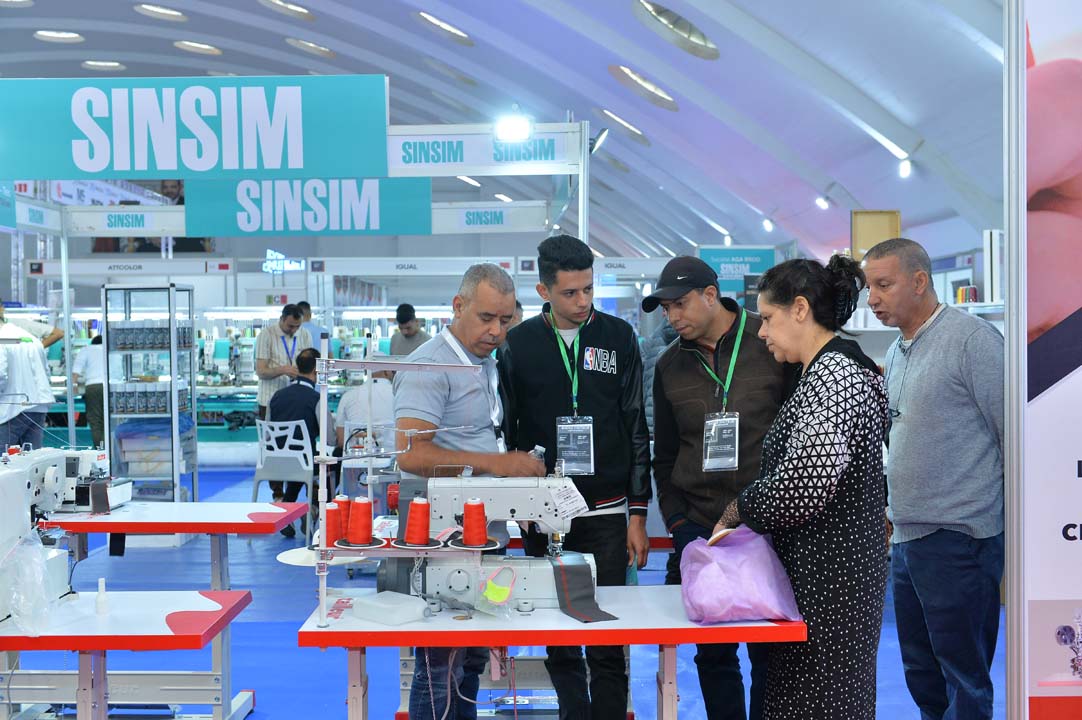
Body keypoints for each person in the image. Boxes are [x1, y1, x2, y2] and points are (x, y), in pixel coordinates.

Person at [714, 255, 889, 720]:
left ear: (799, 309)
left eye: (768, 318)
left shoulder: (835, 377)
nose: (762, 332)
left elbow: (804, 482)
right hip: (822, 576)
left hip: (832, 582)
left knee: (822, 702)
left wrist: (739, 510)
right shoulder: (825, 372)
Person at [498, 234, 650, 720]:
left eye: (588, 289)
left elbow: (635, 423)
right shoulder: (517, 344)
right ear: (544, 291)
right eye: (570, 293)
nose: (583, 301)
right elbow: (510, 430)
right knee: (559, 636)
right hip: (544, 512)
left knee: (607, 638)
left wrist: (638, 512)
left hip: (606, 510)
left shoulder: (619, 337)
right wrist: (518, 501)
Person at [645, 256, 794, 720]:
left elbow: (798, 432)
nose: (672, 317)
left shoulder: (769, 341)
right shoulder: (669, 365)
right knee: (713, 654)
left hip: (766, 524)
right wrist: (678, 524)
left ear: (711, 295)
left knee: (770, 651)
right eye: (665, 308)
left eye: (680, 304)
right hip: (701, 527)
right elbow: (666, 455)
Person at [394, 263, 545, 720]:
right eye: (486, 318)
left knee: (473, 656)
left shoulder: (486, 364)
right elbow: (411, 454)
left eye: (505, 320)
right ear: (458, 306)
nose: (496, 330)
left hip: (482, 531)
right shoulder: (429, 366)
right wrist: (498, 464)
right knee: (439, 663)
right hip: (441, 535)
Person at [863, 238, 1004, 720]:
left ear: (920, 281)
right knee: (922, 674)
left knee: (963, 679)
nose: (872, 299)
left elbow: (1012, 434)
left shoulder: (973, 341)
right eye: (869, 288)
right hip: (908, 538)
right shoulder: (898, 350)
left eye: (884, 285)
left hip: (960, 538)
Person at [267, 347, 333, 537]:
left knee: (299, 463)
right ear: (316, 370)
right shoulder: (316, 399)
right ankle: (314, 511)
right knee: (327, 465)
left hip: (274, 464)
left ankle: (288, 512)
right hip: (304, 463)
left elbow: (268, 435)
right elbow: (329, 438)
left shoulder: (276, 396)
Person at [0, 318, 55, 448]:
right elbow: (46, 372)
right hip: (38, 406)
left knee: (3, 455)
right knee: (32, 456)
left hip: (13, 409)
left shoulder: (2, 339)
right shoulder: (32, 339)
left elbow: (1, 374)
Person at [254, 303, 312, 420]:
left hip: (297, 401)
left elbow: (309, 368)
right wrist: (282, 370)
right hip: (270, 401)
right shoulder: (266, 335)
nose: (294, 330)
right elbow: (260, 372)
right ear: (282, 319)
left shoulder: (305, 334)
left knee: (298, 431)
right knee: (272, 432)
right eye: (290, 326)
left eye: (297, 326)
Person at [71, 335, 105, 447]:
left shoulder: (86, 349)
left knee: (95, 421)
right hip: (111, 386)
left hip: (93, 386)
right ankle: (109, 449)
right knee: (109, 420)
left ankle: (100, 449)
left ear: (92, 343)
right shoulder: (110, 349)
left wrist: (73, 386)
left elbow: (76, 370)